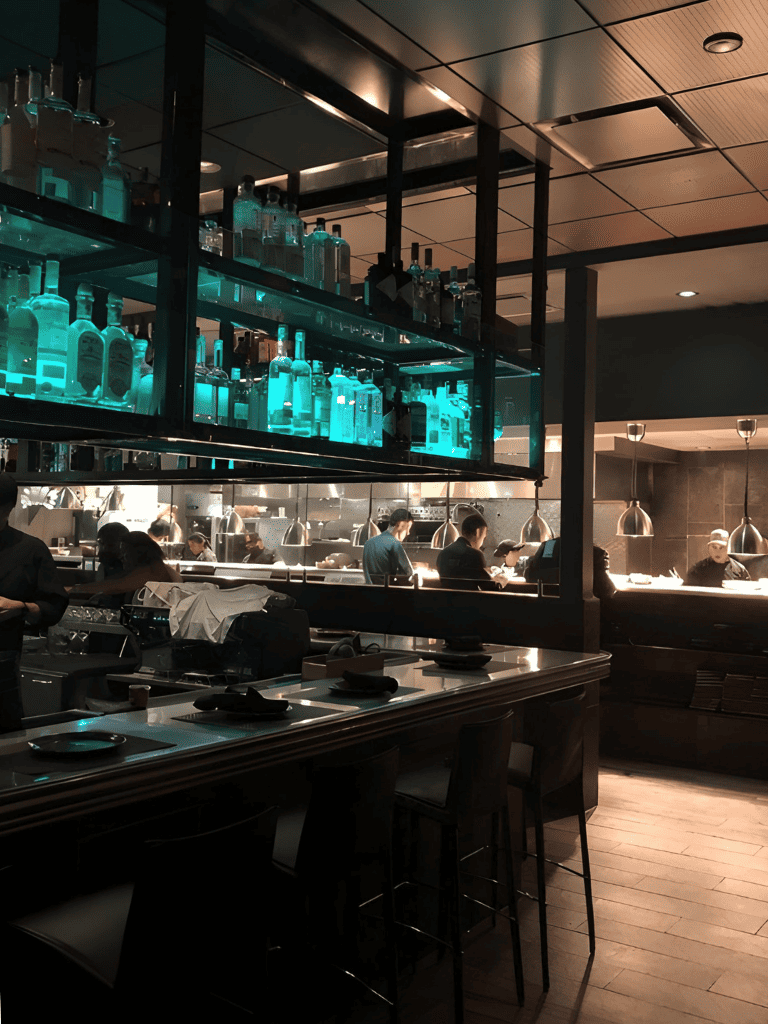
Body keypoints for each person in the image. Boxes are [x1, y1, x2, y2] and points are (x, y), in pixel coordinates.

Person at [0, 473, 69, 732]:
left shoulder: (30, 550)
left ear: (9, 508)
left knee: (6, 743)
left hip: (3, 661)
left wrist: (23, 607)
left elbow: (54, 605)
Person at [67, 531, 182, 599]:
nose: (122, 557)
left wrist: (76, 589)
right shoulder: (157, 567)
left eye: (125, 552)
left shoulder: (151, 570)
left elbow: (117, 586)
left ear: (138, 553)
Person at [436, 513, 508, 591]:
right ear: (477, 532)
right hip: (468, 598)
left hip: (445, 598)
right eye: (483, 538)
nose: (482, 544)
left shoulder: (443, 554)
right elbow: (489, 588)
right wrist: (503, 582)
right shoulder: (475, 555)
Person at [362, 508, 414, 585]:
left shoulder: (368, 543)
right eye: (408, 527)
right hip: (387, 591)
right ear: (400, 524)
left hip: (369, 590)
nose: (408, 533)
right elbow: (408, 572)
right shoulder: (394, 543)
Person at [685, 528, 750, 588]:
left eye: (721, 547)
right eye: (714, 547)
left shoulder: (740, 570)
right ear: (709, 548)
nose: (717, 551)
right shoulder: (697, 570)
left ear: (728, 548)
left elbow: (748, 592)